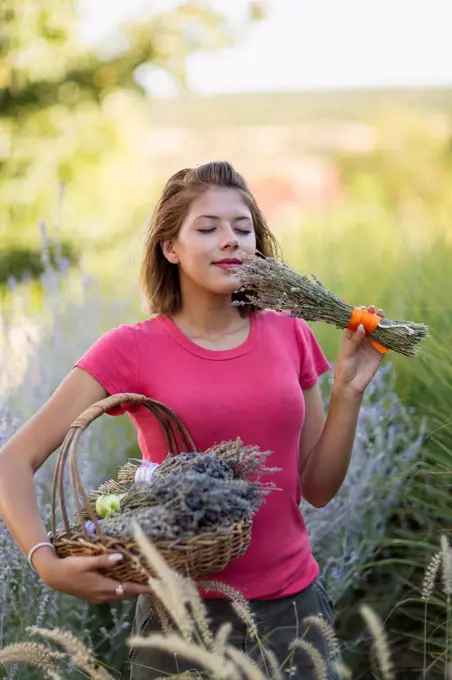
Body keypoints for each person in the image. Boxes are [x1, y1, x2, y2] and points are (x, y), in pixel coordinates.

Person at [0, 161, 385, 680]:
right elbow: (13, 461)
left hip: (295, 615)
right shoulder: (130, 349)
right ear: (170, 248)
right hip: (178, 626)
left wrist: (347, 393)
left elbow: (317, 488)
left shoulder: (290, 334)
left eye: (242, 228)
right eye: (208, 228)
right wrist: (46, 564)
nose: (230, 240)